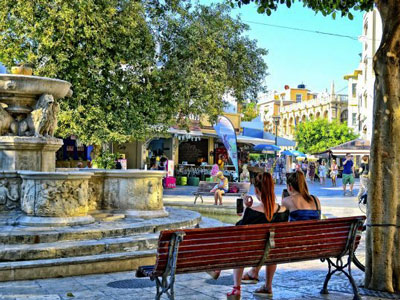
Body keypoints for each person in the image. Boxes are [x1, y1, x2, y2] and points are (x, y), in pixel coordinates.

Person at [209, 172, 289, 299]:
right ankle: (268, 286)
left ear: (257, 191)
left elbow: (237, 231)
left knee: (239, 246)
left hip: (249, 253)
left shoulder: (252, 212)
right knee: (270, 248)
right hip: (272, 253)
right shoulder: (284, 211)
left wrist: (246, 209)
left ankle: (234, 287)